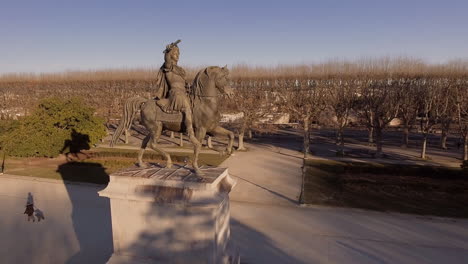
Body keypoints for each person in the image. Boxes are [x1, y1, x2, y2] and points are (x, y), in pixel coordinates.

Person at [154, 40, 199, 145]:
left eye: (179, 53)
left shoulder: (181, 70)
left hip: (183, 92)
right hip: (175, 93)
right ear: (170, 54)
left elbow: (185, 85)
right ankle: (191, 134)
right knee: (187, 107)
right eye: (175, 53)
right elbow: (167, 60)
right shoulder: (168, 67)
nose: (178, 55)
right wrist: (168, 51)